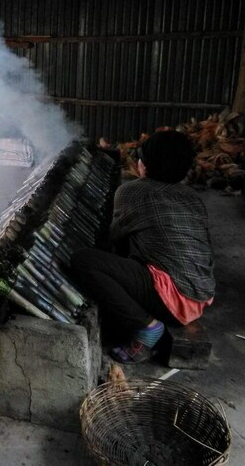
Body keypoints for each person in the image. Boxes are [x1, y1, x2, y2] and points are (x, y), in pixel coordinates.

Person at [69, 130, 215, 364]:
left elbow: (115, 236)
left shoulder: (133, 191)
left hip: (174, 298)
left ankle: (147, 328)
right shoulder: (191, 196)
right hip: (201, 292)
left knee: (84, 261)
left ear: (143, 164)